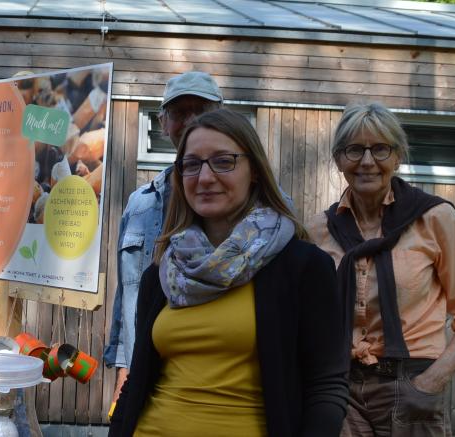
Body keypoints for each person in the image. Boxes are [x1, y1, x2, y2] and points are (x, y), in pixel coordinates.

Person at [109, 109, 349, 436]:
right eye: (191, 164)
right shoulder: (164, 272)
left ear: (255, 172)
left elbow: (326, 387)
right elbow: (137, 382)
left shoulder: (302, 267)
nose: (205, 177)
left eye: (224, 161)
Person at [306, 102, 455, 436]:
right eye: (355, 150)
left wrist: (431, 381)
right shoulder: (319, 229)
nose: (367, 161)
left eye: (380, 149)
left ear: (398, 156)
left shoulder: (433, 218)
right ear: (339, 158)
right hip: (340, 387)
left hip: (410, 383)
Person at [104, 71, 223, 414]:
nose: (191, 121)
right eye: (180, 112)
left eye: (201, 109)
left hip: (216, 378)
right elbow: (127, 295)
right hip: (147, 374)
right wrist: (124, 367)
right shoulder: (140, 203)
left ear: (223, 114)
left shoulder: (252, 207)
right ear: (163, 123)